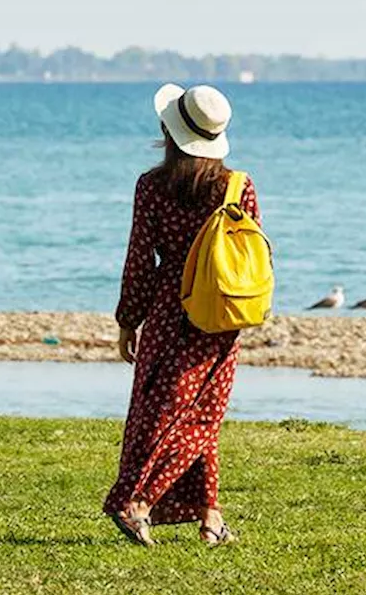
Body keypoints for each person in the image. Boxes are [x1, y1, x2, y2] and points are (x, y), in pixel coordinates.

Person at [104, 83, 262, 547]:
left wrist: (128, 320)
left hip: (169, 308)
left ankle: (195, 513)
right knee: (202, 416)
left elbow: (139, 259)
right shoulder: (238, 188)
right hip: (220, 309)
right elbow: (250, 256)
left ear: (169, 132)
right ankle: (150, 505)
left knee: (165, 413)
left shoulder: (151, 187)